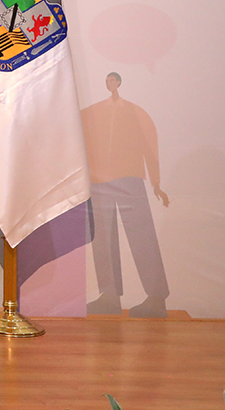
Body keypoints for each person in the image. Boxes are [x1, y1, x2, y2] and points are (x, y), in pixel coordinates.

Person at [83, 72, 171, 317]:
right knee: (102, 238)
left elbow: (149, 146)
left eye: (112, 80)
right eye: (106, 81)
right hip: (98, 181)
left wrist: (156, 183)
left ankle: (156, 297)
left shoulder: (135, 112)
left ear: (118, 83)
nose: (108, 84)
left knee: (142, 235)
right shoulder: (91, 112)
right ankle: (109, 296)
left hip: (130, 177)